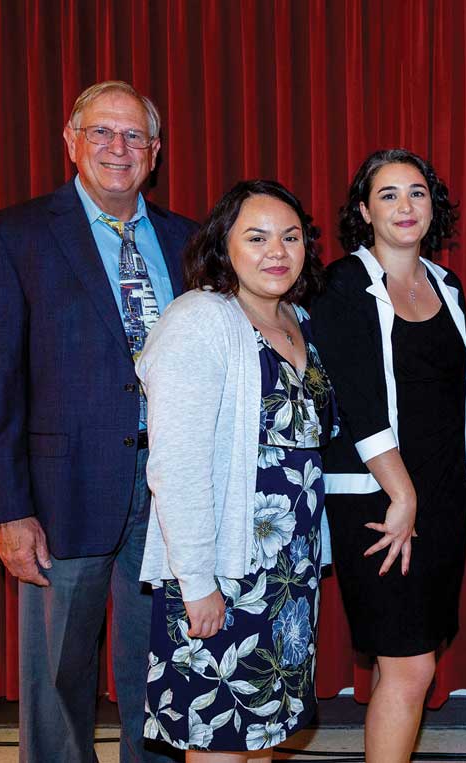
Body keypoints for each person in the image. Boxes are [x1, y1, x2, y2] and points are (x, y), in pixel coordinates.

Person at [0, 80, 196, 763]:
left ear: (154, 153)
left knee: (155, 668)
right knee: (57, 677)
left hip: (165, 490)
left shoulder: (188, 240)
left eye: (134, 135)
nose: (117, 147)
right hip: (61, 489)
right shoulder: (15, 235)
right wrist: (9, 508)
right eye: (101, 131)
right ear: (71, 141)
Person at [136, 180, 336, 759]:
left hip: (287, 577)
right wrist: (197, 582)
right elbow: (176, 466)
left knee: (263, 735)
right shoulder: (200, 319)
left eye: (291, 237)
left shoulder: (296, 319)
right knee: (220, 742)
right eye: (257, 237)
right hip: (221, 570)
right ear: (224, 246)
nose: (277, 250)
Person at [313, 149, 466, 763]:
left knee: (401, 660)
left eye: (416, 193)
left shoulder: (447, 284)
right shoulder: (343, 285)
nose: (404, 207)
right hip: (379, 501)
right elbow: (356, 401)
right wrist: (403, 496)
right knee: (411, 667)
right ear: (364, 210)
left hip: (441, 499)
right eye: (388, 195)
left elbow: (454, 391)